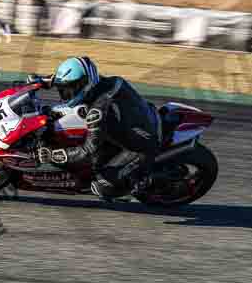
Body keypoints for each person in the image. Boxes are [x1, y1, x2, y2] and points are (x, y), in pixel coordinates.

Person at [29, 56, 160, 201]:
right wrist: (44, 81)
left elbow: (87, 150)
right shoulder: (100, 83)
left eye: (69, 89)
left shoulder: (97, 111)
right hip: (139, 119)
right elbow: (69, 80)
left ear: (84, 84)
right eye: (63, 89)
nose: (65, 93)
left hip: (141, 146)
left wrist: (52, 155)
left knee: (101, 184)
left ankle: (139, 183)